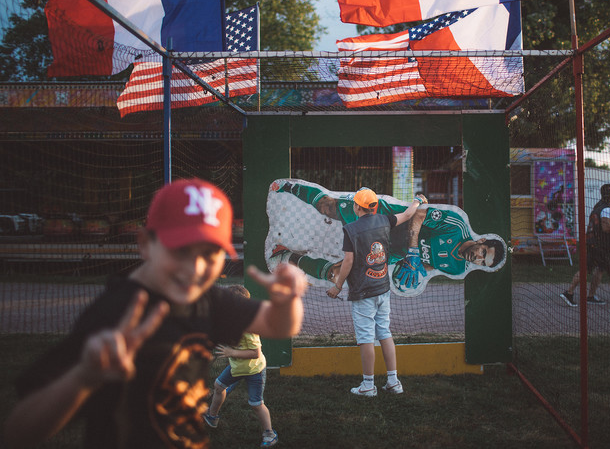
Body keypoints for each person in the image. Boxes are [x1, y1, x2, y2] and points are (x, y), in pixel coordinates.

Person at [2, 178, 306, 449]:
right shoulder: (111, 314)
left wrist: (289, 299)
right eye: (180, 250)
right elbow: (18, 432)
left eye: (210, 253)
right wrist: (84, 376)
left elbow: (279, 326)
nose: (195, 268)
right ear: (145, 244)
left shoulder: (207, 299)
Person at [269, 179, 506, 293]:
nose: (477, 258)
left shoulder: (456, 268)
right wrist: (414, 250)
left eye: (481, 262)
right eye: (483, 252)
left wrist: (413, 266)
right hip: (389, 220)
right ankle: (291, 188)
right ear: (481, 241)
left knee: (338, 275)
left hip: (391, 252)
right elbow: (420, 215)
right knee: (328, 207)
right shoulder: (457, 226)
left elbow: (428, 265)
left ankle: (287, 256)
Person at [325, 187, 424, 396]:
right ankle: (393, 382)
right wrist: (417, 200)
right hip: (382, 288)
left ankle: (368, 385)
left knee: (366, 338)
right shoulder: (384, 220)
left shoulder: (350, 229)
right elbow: (407, 215)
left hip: (363, 291)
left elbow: (348, 261)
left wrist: (337, 285)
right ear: (374, 206)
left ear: (356, 207)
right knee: (385, 332)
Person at [203, 284, 277, 447]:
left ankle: (269, 433)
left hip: (253, 369)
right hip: (236, 367)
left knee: (256, 404)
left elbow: (255, 353)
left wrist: (231, 353)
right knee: (218, 386)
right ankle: (212, 416)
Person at [560, 183, 610, 309]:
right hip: (603, 246)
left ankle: (570, 293)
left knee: (591, 269)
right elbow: (606, 227)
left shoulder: (597, 207)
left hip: (593, 244)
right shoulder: (607, 209)